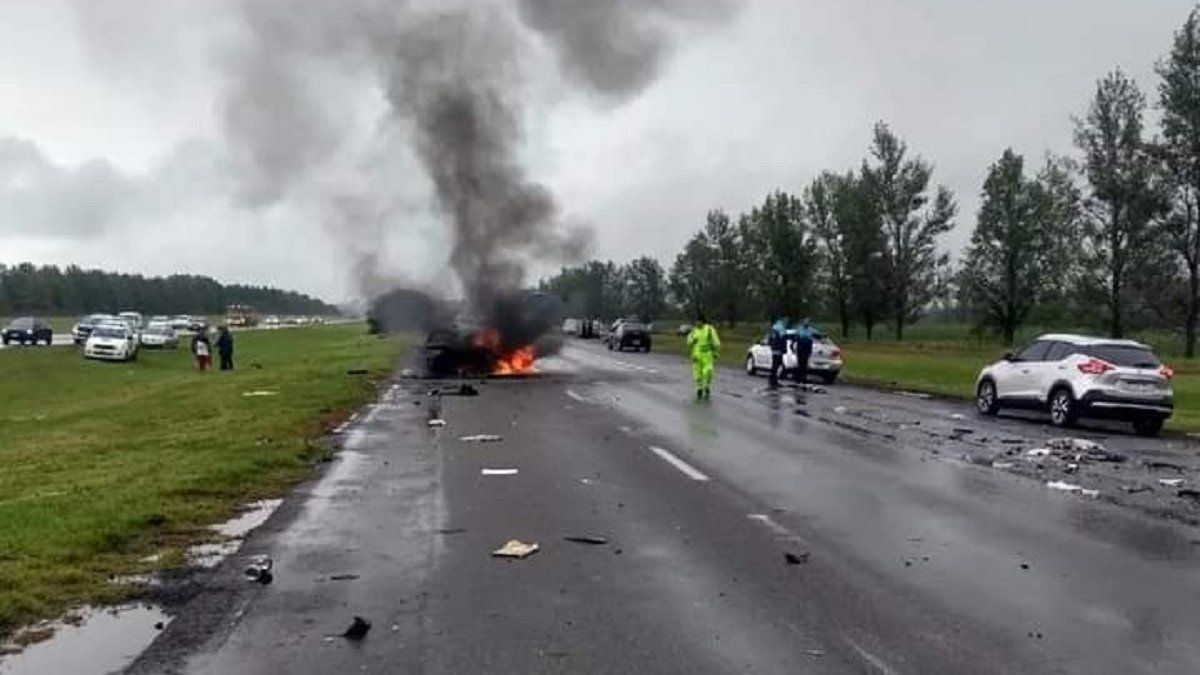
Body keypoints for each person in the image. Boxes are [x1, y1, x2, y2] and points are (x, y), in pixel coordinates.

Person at [686, 313, 721, 401]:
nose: (697, 323)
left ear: (702, 322)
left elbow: (716, 342)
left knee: (708, 371)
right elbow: (688, 342)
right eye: (696, 322)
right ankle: (699, 389)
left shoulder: (709, 329)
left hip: (707, 355)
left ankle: (707, 386)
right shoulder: (694, 331)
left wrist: (716, 352)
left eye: (698, 321)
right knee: (697, 373)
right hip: (696, 355)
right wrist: (692, 340)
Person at [768, 317, 789, 388]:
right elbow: (783, 340)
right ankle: (773, 380)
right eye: (786, 321)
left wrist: (772, 346)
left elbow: (770, 339)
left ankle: (773, 380)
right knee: (776, 365)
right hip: (778, 349)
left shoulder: (774, 328)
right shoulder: (781, 328)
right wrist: (784, 349)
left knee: (776, 365)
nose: (787, 322)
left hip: (775, 349)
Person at [794, 318, 816, 384]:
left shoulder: (811, 330)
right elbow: (796, 338)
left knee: (805, 364)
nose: (806, 323)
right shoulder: (799, 329)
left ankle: (804, 378)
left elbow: (817, 335)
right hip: (800, 348)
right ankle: (798, 378)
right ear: (803, 322)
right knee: (800, 363)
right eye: (805, 322)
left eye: (807, 322)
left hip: (807, 348)